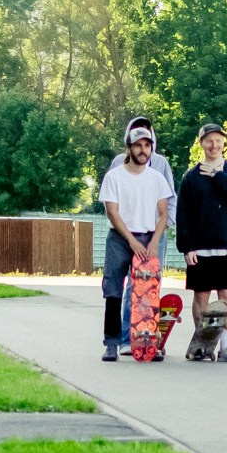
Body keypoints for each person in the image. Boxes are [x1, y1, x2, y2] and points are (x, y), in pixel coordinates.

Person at [174, 121, 227, 362]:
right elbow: (183, 214)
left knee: (226, 296)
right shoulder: (191, 177)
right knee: (201, 296)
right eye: (209, 140)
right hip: (201, 247)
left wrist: (219, 176)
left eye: (218, 140)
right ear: (201, 144)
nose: (214, 145)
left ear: (223, 143)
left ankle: (226, 346)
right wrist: (186, 247)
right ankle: (202, 345)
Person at [96, 125, 172, 362]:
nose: (143, 150)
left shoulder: (157, 179)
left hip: (148, 238)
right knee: (113, 290)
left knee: (146, 294)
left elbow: (163, 214)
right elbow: (112, 213)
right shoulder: (114, 177)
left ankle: (147, 344)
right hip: (120, 239)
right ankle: (111, 344)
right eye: (138, 145)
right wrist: (130, 240)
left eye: (147, 146)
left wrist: (154, 241)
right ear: (129, 148)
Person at [106, 115, 177, 264]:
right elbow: (110, 201)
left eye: (146, 141)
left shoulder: (160, 163)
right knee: (113, 281)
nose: (142, 148)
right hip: (121, 232)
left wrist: (164, 226)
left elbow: (170, 198)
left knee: (147, 281)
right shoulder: (118, 163)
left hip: (152, 233)